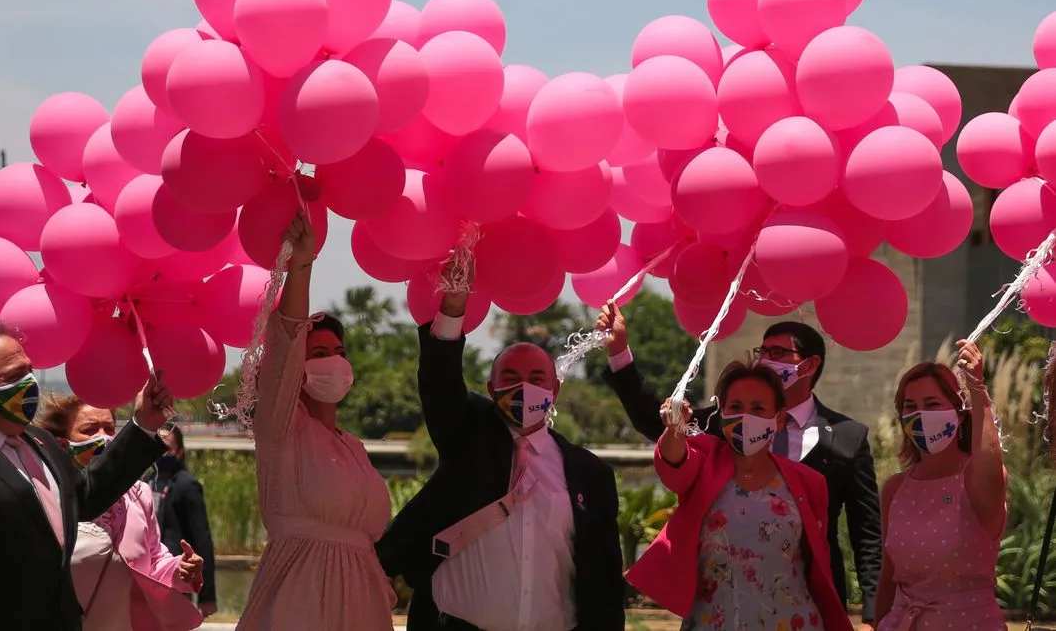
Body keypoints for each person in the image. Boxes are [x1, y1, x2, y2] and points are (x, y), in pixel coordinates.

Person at [377, 261, 626, 631]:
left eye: (536, 378)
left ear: (554, 390)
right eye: (510, 379)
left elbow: (604, 581)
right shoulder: (468, 437)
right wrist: (453, 307)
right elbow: (440, 384)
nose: (524, 387)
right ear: (492, 391)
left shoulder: (592, 475)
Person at [600, 304, 882, 628]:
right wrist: (620, 354)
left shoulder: (846, 438)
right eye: (764, 351)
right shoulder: (718, 430)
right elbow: (661, 429)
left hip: (797, 608)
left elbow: (867, 532)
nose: (767, 359)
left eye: (779, 352)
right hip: (718, 611)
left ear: (810, 364)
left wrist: (873, 613)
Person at [0, 322, 172, 631]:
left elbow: (85, 496)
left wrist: (143, 424)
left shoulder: (38, 442)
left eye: (28, 371)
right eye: (13, 377)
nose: (29, 383)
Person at [236, 210, 395, 630]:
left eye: (338, 352)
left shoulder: (354, 446)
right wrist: (301, 267)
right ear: (297, 370)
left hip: (361, 602)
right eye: (319, 354)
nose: (334, 361)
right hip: (299, 598)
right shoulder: (279, 429)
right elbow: (286, 337)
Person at [627, 361, 852, 631]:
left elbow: (816, 560)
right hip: (713, 622)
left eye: (758, 408)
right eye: (735, 407)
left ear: (779, 419)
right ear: (721, 412)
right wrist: (675, 428)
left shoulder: (809, 483)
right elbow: (674, 463)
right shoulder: (704, 461)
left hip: (793, 622)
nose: (746, 417)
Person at [33, 394, 205, 631]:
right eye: (90, 430)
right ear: (63, 443)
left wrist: (180, 569)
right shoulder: (48, 495)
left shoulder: (138, 494)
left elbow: (154, 559)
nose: (102, 437)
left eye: (109, 428)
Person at [874, 341, 1007, 630]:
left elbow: (990, 464)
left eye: (932, 404)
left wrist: (977, 388)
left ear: (960, 414)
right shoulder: (895, 489)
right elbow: (889, 576)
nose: (920, 415)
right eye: (910, 407)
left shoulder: (975, 478)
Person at [150, 424, 218, 619]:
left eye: (167, 448)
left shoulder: (186, 485)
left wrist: (207, 595)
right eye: (157, 447)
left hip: (176, 576)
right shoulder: (147, 481)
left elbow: (202, 539)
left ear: (179, 452)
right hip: (149, 578)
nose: (161, 453)